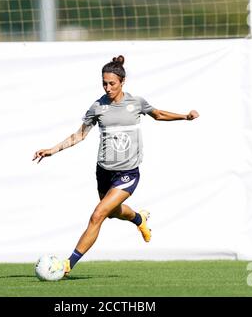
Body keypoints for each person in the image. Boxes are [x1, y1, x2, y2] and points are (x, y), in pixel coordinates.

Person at [33, 55, 199, 275]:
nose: (107, 87)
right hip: (103, 172)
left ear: (122, 81)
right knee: (111, 212)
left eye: (112, 83)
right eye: (104, 83)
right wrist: (52, 150)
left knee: (98, 214)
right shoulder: (97, 107)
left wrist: (185, 117)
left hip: (128, 173)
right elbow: (79, 135)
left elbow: (158, 114)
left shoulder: (136, 103)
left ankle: (67, 265)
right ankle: (139, 218)